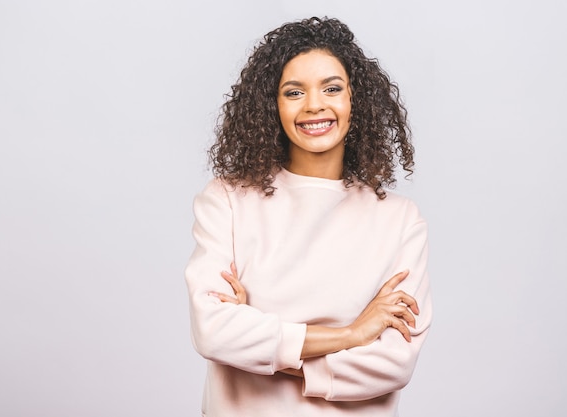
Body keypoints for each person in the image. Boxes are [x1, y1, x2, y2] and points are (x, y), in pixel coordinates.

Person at [185, 16, 432, 417]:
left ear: (356, 100)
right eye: (294, 92)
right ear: (272, 106)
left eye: (332, 88)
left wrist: (261, 346)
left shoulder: (399, 220)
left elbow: (393, 363)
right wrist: (350, 334)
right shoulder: (227, 201)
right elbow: (213, 332)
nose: (315, 104)